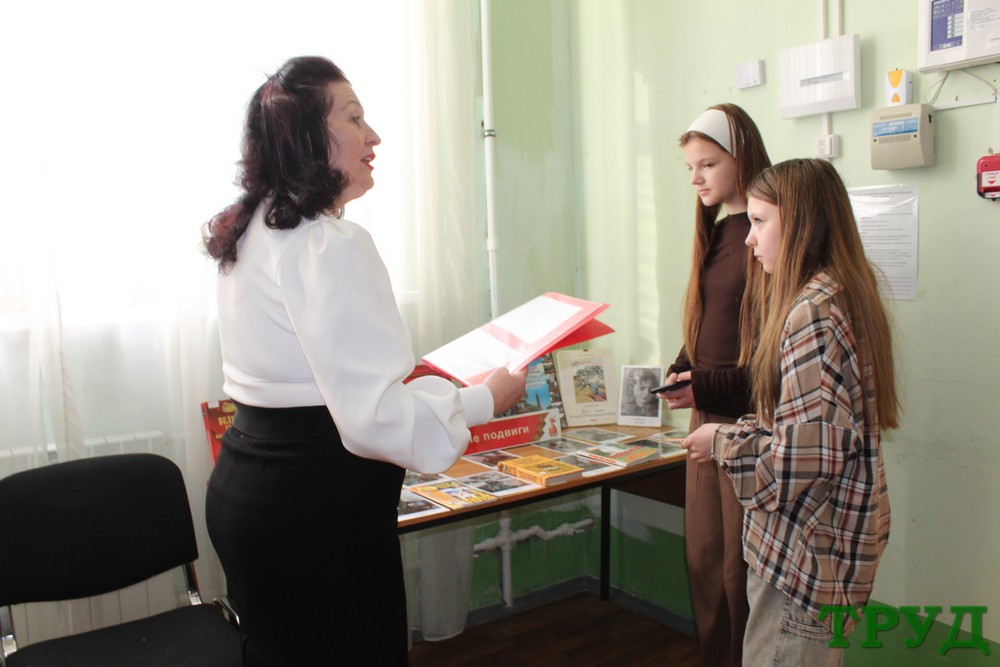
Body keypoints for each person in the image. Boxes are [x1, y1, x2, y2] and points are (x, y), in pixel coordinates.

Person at [201, 56, 526, 666]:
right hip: (314, 511)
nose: (373, 136)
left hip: (249, 490)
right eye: (353, 119)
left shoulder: (251, 229)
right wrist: (487, 397)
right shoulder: (329, 243)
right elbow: (374, 417)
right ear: (308, 138)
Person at [683, 158, 898, 666]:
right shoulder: (843, 293)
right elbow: (799, 427)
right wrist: (743, 430)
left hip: (800, 564)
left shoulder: (812, 315)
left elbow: (795, 466)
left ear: (802, 224)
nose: (749, 239)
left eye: (760, 221)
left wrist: (721, 442)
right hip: (822, 557)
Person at [657, 103, 770, 667]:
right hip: (708, 416)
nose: (696, 179)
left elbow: (767, 359)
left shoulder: (765, 235)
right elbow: (710, 321)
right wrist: (684, 367)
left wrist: (703, 387)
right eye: (690, 168)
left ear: (740, 158)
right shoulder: (721, 230)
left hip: (741, 423)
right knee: (704, 559)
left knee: (735, 569)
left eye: (707, 164)